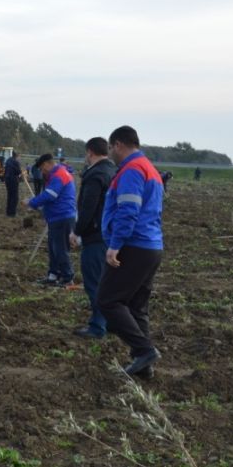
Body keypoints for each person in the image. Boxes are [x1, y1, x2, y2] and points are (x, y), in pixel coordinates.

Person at [97, 126, 163, 376]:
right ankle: (144, 366)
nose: (111, 153)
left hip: (133, 245)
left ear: (118, 144)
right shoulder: (150, 169)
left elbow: (128, 210)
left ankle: (144, 350)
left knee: (108, 300)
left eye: (112, 148)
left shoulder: (132, 170)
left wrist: (115, 245)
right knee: (137, 308)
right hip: (151, 246)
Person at [69, 137, 116, 339]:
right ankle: (110, 322)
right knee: (107, 282)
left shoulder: (95, 175)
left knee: (94, 282)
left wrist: (77, 231)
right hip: (111, 235)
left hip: (96, 237)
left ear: (90, 152)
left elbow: (88, 208)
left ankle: (98, 326)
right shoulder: (113, 171)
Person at [22, 153, 76, 286]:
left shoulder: (59, 175)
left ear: (47, 164)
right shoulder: (55, 175)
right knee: (53, 249)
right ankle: (53, 276)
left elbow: (49, 195)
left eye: (41, 168)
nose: (41, 171)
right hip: (56, 217)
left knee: (60, 249)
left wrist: (32, 202)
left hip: (62, 217)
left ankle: (67, 278)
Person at [3, 150, 22, 217]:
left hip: (7, 180)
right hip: (13, 180)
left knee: (10, 196)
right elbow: (18, 172)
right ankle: (12, 213)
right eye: (19, 157)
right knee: (15, 197)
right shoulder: (15, 162)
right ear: (17, 156)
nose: (20, 158)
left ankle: (8, 212)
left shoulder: (8, 160)